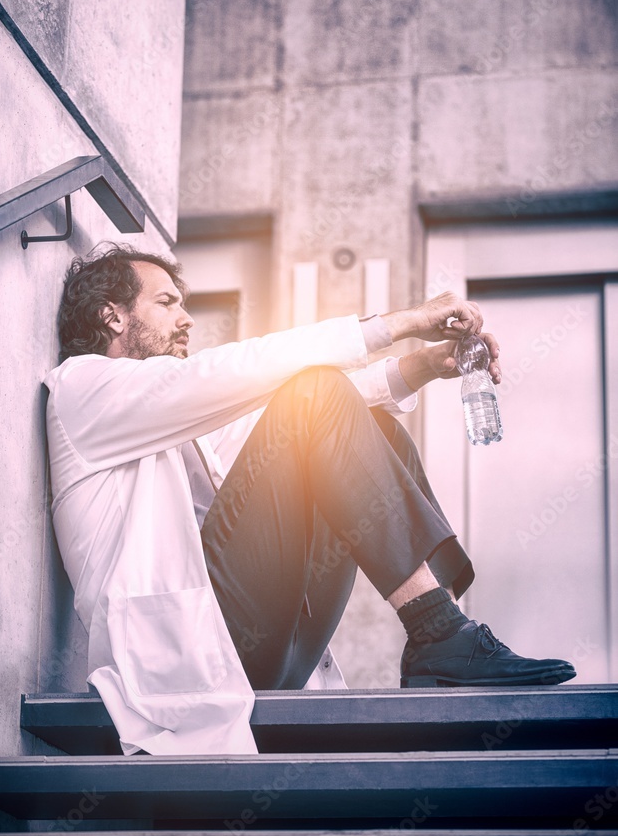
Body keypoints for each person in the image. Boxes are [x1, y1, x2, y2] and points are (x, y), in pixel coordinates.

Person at [44, 243, 575, 756]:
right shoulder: (85, 390)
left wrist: (423, 365)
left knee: (365, 423)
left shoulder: (180, 423)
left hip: (265, 646)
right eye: (166, 303)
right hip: (185, 658)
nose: (186, 319)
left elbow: (309, 411)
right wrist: (403, 321)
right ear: (111, 316)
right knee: (314, 392)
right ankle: (438, 632)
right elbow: (254, 374)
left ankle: (443, 634)